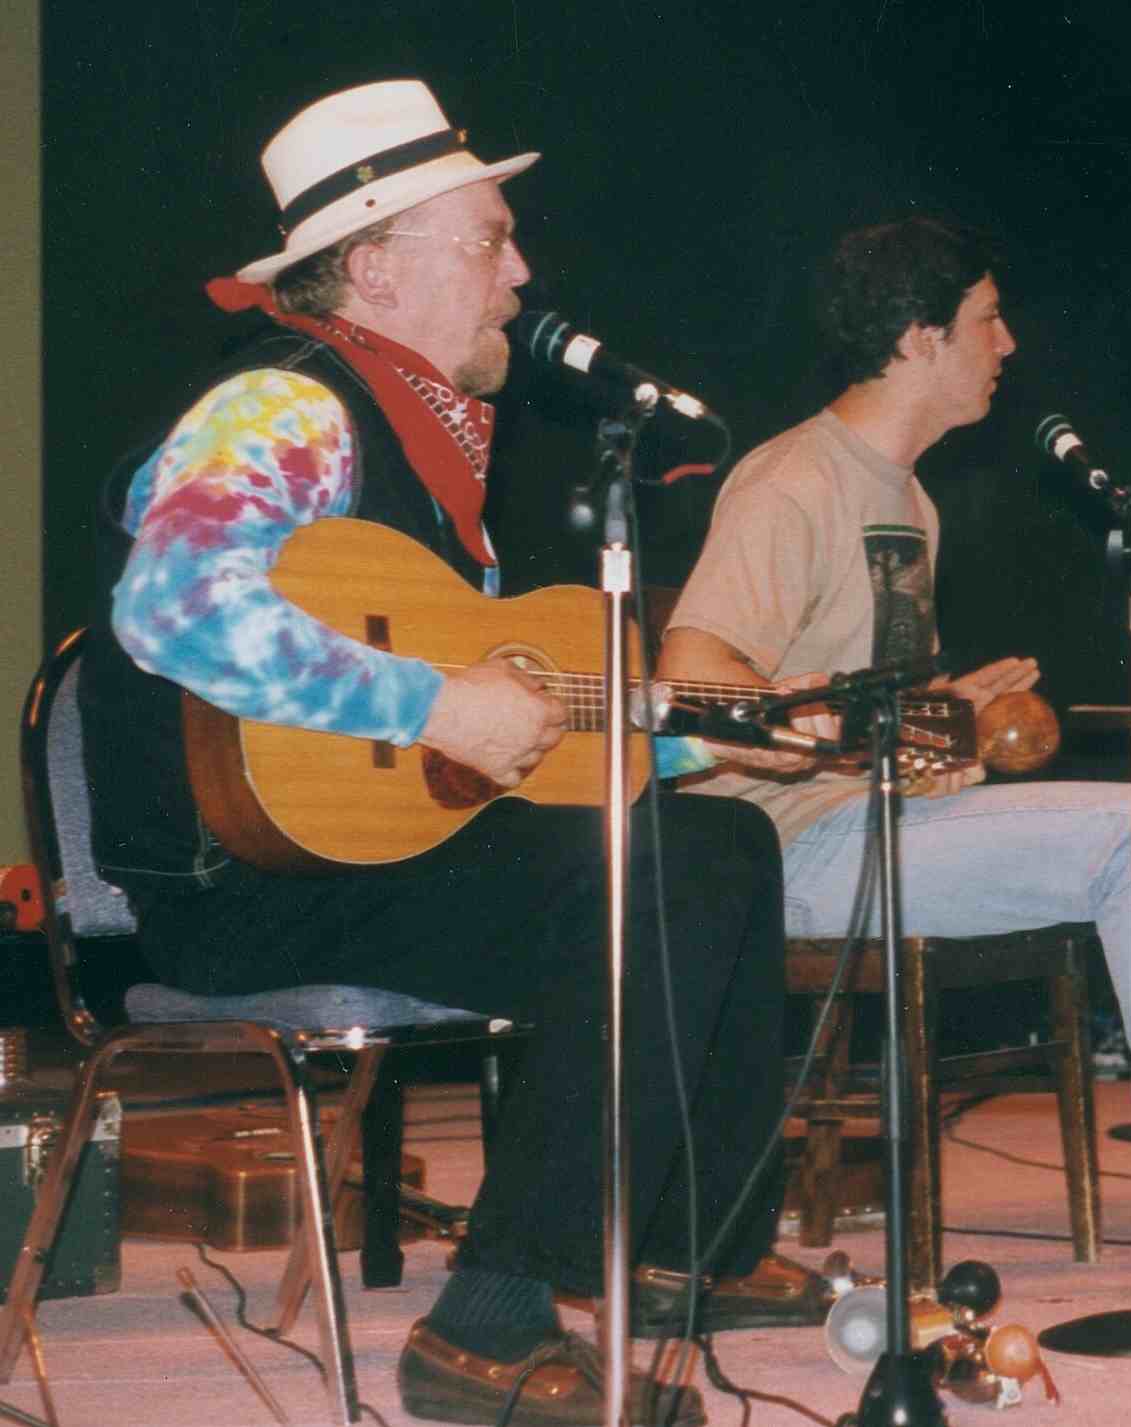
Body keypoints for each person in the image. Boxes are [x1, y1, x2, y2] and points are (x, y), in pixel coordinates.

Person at [79, 80, 812, 1427]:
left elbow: (506, 745)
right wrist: (428, 703)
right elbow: (170, 604)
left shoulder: (425, 437)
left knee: (715, 837)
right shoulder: (278, 408)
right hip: (232, 887)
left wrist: (720, 737)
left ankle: (677, 1245)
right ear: (373, 266)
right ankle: (490, 1320)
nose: (521, 273)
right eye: (489, 240)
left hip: (356, 860)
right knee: (655, 871)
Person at [655, 216, 1131, 1302]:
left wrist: (935, 710)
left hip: (868, 818)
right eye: (987, 317)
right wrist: (828, 726)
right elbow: (695, 671)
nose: (1009, 342)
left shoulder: (910, 497)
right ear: (919, 336)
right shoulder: (793, 480)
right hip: (786, 844)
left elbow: (847, 699)